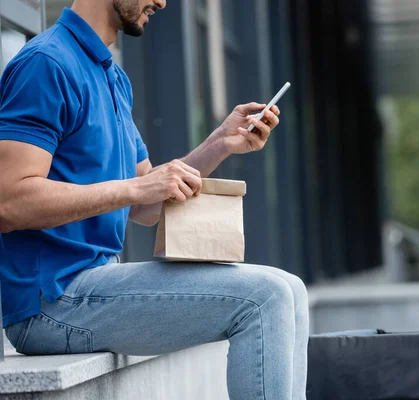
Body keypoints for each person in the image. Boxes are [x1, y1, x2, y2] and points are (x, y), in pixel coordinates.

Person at [0, 1, 309, 399]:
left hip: (92, 286)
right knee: (265, 297)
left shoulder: (112, 77)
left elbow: (146, 205)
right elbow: (10, 201)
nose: (161, 1)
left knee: (292, 288)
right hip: (50, 303)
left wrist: (220, 144)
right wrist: (136, 188)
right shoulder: (46, 63)